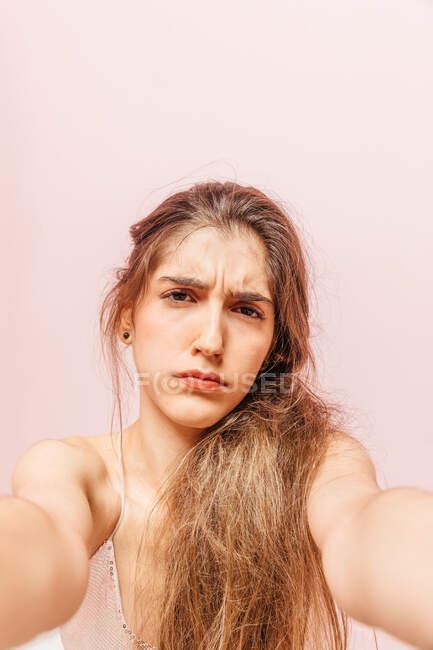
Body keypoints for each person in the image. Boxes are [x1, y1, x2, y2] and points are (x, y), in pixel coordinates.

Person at [2, 180, 433, 650]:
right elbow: (42, 547)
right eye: (181, 297)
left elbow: (365, 535)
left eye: (246, 310)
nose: (210, 341)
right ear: (127, 314)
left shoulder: (318, 466)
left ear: (273, 347)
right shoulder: (75, 473)